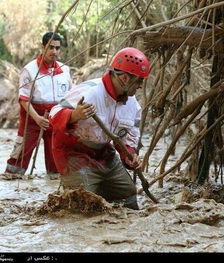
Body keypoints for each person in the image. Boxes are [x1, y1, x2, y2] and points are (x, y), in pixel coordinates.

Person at [49, 47, 150, 210]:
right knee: (84, 202)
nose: (140, 86)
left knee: (128, 195)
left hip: (102, 152)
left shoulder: (132, 106)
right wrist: (75, 115)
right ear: (125, 78)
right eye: (139, 81)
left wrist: (130, 157)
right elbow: (54, 114)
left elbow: (125, 140)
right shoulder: (89, 91)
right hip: (72, 151)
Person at [4, 32, 73, 176]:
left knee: (56, 163)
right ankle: (11, 183)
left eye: (57, 48)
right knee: (19, 159)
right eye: (50, 47)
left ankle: (51, 182)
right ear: (43, 47)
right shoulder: (29, 70)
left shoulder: (65, 70)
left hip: (55, 119)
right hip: (32, 119)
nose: (54, 52)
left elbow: (70, 97)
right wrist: (37, 119)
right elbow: (24, 99)